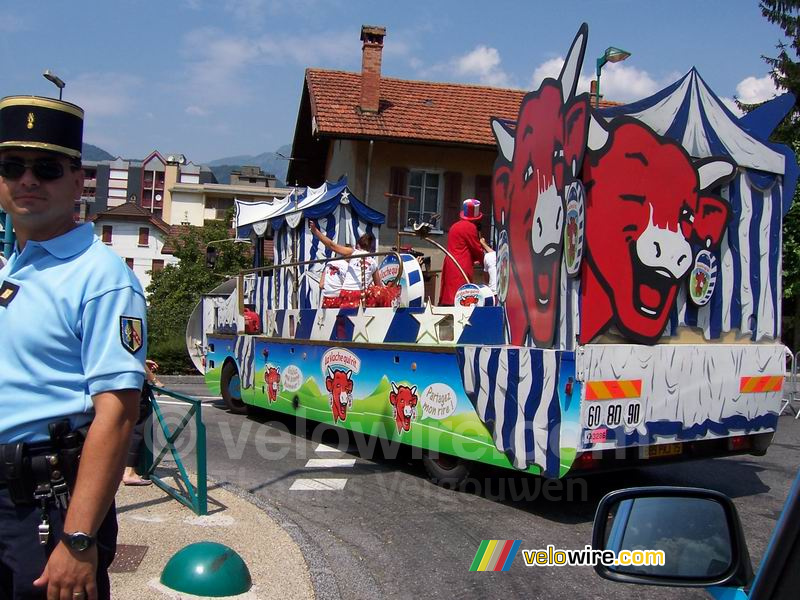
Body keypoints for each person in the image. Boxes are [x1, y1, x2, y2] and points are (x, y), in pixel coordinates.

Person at [0, 95, 146, 599]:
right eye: (11, 166)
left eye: (46, 168)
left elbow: (118, 415)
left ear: (77, 178)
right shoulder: (10, 269)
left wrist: (79, 539)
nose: (27, 180)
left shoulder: (101, 276)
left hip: (44, 503)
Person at [309, 221, 388, 308]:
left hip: (346, 292)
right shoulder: (373, 263)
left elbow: (332, 245)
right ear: (371, 249)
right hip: (360, 295)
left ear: (358, 245)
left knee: (344, 318)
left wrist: (316, 231)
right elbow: (378, 286)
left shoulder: (353, 252)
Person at [439, 198, 485, 306]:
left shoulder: (455, 226)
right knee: (461, 294)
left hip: (450, 262)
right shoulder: (470, 227)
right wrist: (485, 261)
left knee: (449, 294)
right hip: (461, 264)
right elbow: (476, 248)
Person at [122, 360, 162, 486]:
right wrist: (155, 380)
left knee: (123, 426)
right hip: (132, 384)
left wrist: (143, 360)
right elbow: (134, 357)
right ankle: (129, 472)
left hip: (117, 383)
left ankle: (121, 467)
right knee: (138, 427)